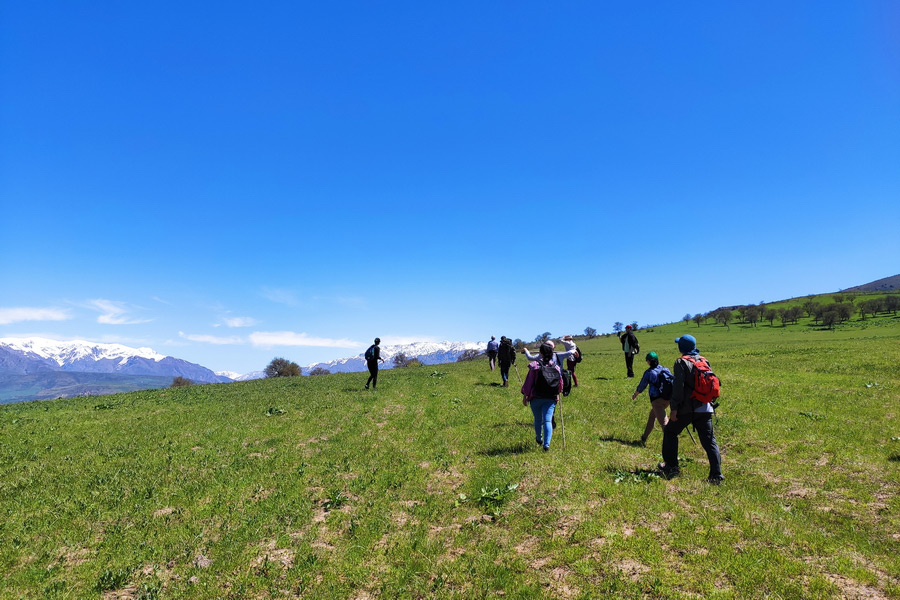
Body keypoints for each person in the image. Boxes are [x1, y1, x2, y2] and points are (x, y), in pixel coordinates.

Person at [657, 334, 724, 484]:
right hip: (706, 407)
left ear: (681, 348)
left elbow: (678, 388)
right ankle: (716, 475)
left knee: (670, 431)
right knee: (710, 442)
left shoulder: (681, 362)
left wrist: (674, 409)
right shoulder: (704, 360)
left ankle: (671, 467)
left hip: (687, 408)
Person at [521, 342, 564, 451]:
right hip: (550, 398)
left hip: (536, 397)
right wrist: (558, 394)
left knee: (538, 420)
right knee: (548, 420)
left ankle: (539, 438)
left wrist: (525, 396)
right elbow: (560, 383)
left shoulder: (534, 365)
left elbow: (529, 382)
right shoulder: (556, 367)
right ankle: (547, 444)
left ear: (540, 353)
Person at [631, 351, 671, 446]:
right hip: (668, 399)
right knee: (652, 416)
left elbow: (642, 386)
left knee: (664, 423)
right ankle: (644, 437)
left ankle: (671, 442)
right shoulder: (665, 369)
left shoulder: (649, 372)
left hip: (657, 400)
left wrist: (635, 394)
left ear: (649, 362)